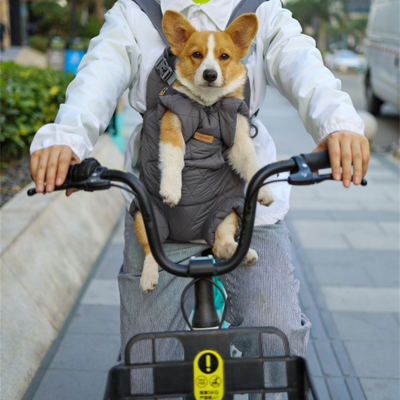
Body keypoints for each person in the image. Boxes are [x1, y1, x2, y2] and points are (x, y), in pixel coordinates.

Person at [30, 0, 370, 397]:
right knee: (144, 364)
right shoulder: (137, 11)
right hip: (162, 202)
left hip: (243, 203)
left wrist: (338, 124)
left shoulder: (259, 8)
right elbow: (99, 73)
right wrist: (68, 138)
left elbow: (301, 62)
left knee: (276, 340)